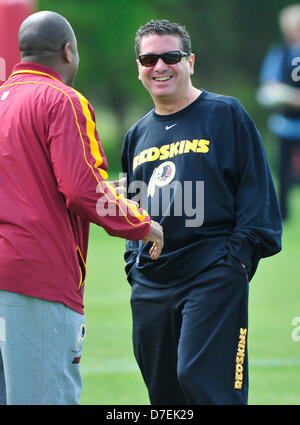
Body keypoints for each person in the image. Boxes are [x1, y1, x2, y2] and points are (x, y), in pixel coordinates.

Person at [0, 11, 163, 405]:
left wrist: (101, 188)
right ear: (68, 52)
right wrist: (144, 225)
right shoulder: (63, 100)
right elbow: (79, 191)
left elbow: (29, 183)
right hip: (34, 279)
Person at [121, 19, 282, 405]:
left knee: (204, 382)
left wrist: (236, 262)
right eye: (148, 58)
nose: (159, 66)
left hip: (212, 274)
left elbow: (256, 192)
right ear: (139, 67)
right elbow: (132, 209)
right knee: (164, 396)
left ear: (190, 61)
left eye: (170, 56)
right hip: (152, 283)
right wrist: (134, 264)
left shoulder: (226, 114)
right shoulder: (137, 135)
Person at [257, 4, 300, 219]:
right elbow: (268, 85)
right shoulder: (281, 53)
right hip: (287, 124)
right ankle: (283, 214)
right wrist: (289, 97)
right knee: (283, 174)